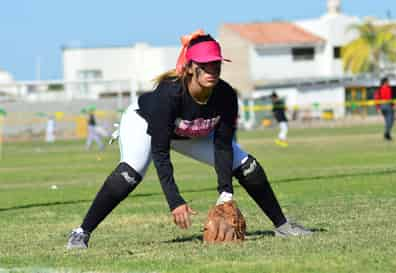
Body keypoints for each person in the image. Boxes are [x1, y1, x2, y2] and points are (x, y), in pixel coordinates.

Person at [67, 30, 312, 249]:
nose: (212, 71)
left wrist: (225, 192)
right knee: (131, 172)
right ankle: (81, 232)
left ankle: (282, 225)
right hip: (145, 123)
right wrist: (175, 201)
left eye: (216, 64)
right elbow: (161, 153)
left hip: (187, 132)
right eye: (205, 65)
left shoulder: (225, 95)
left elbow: (223, 145)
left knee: (248, 165)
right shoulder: (169, 95)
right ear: (191, 67)